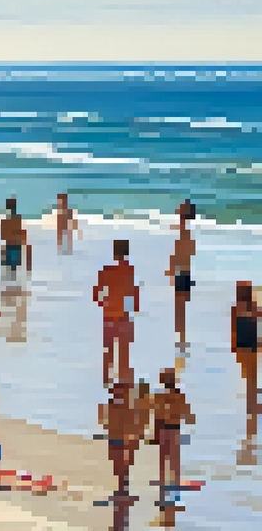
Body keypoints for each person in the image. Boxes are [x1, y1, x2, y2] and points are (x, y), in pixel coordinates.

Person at [95, 240, 140, 386]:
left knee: (108, 349)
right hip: (124, 315)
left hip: (109, 314)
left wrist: (104, 303)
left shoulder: (106, 271)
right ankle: (123, 381)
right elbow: (133, 293)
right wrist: (134, 309)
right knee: (123, 352)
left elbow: (97, 293)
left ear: (114, 253)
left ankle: (106, 380)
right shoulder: (129, 271)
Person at [100, 379, 149, 495]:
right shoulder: (112, 405)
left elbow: (138, 421)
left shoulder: (128, 406)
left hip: (123, 438)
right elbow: (105, 421)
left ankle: (122, 488)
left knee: (122, 464)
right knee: (118, 465)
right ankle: (122, 488)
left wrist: (137, 433)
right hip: (116, 437)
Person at [151, 367, 195, 493]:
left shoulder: (159, 396)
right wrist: (189, 419)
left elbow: (157, 415)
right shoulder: (179, 395)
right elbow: (187, 414)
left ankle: (162, 480)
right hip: (174, 428)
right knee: (174, 456)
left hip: (163, 427)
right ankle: (175, 480)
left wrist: (155, 433)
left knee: (163, 456)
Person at [169, 202, 197, 347]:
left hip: (181, 272)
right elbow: (190, 252)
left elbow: (178, 254)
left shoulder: (183, 232)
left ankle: (180, 337)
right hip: (186, 271)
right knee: (181, 308)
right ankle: (181, 337)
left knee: (179, 308)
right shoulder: (187, 232)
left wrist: (171, 269)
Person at [235, 282, 260, 424]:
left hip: (242, 346)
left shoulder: (236, 308)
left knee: (248, 378)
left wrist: (234, 347)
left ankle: (250, 407)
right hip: (251, 345)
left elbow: (234, 329)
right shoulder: (254, 307)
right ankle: (252, 407)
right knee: (252, 379)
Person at [0, 197, 31, 273]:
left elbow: (4, 235)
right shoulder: (15, 219)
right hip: (14, 244)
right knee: (13, 267)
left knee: (11, 267)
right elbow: (5, 235)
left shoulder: (9, 220)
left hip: (12, 244)